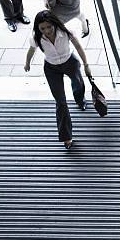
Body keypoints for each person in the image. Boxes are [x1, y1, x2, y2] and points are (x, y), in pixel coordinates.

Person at [24, 10, 92, 149]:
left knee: (78, 84)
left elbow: (78, 46)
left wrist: (86, 65)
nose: (47, 31)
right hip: (51, 68)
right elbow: (31, 50)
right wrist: (27, 63)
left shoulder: (66, 31)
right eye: (42, 28)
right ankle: (67, 137)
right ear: (38, 28)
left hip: (70, 62)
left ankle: (80, 100)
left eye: (49, 27)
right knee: (60, 103)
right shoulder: (36, 38)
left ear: (54, 24)